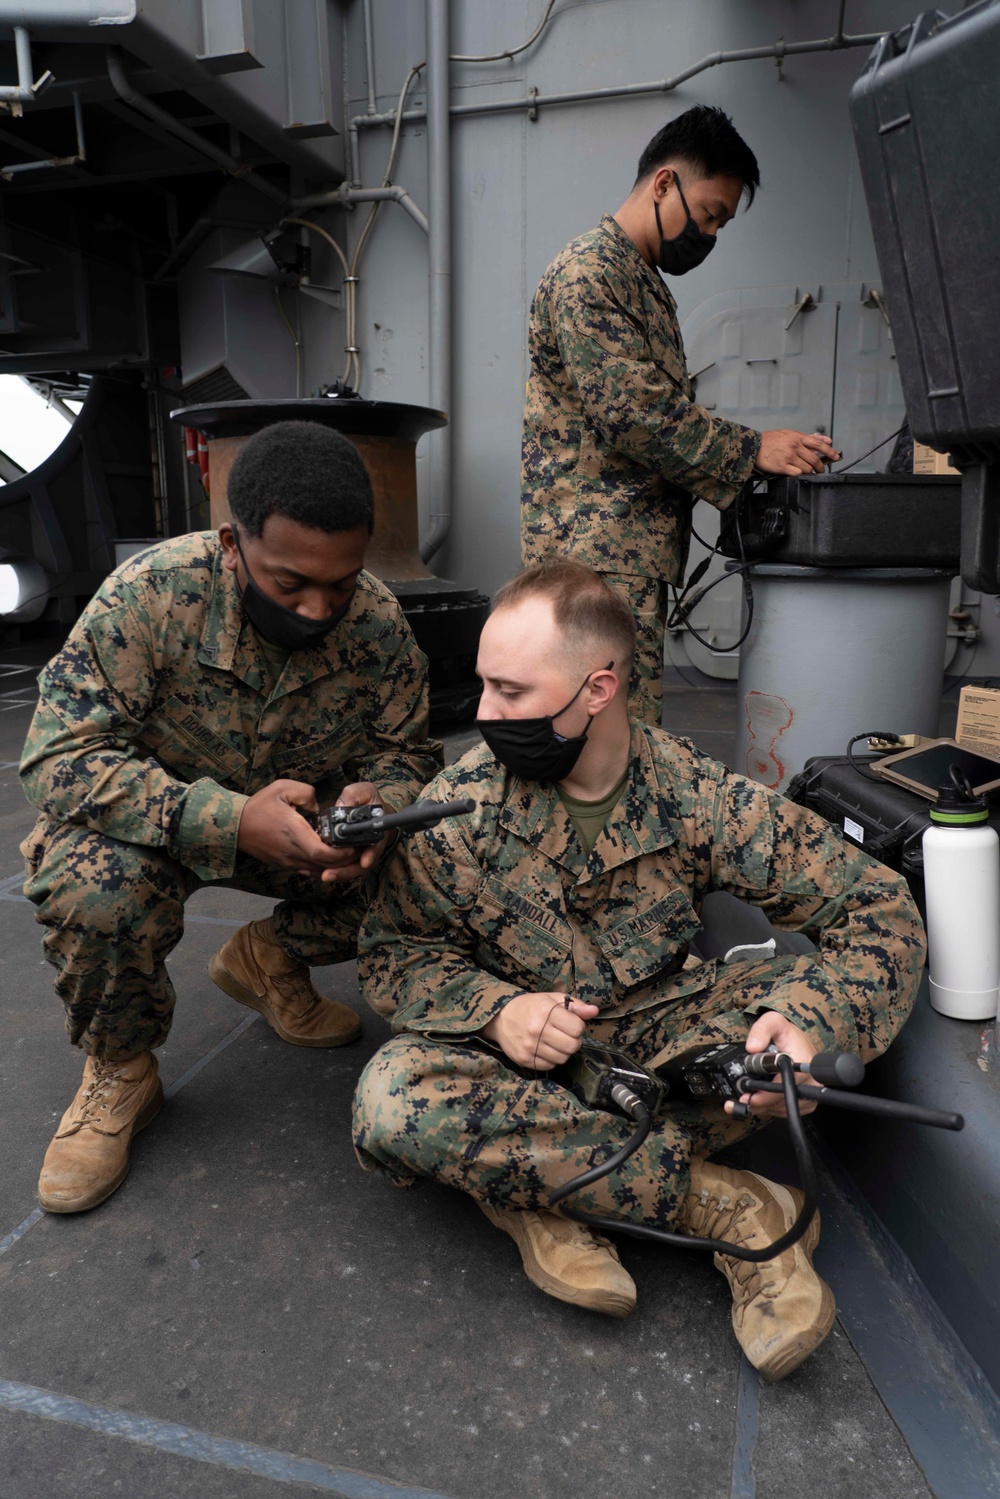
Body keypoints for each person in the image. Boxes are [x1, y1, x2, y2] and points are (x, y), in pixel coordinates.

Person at [350, 559, 924, 1381]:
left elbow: (878, 909)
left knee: (777, 1049)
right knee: (393, 1098)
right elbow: (395, 952)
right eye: (483, 686)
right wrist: (495, 1009)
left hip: (663, 1041)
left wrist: (807, 1026)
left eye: (510, 691)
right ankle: (725, 1205)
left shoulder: (696, 795)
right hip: (519, 1064)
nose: (483, 713)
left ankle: (535, 1182)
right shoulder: (463, 803)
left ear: (597, 689)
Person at [20, 419, 442, 1215]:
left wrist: (376, 801)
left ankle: (271, 958)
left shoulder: (379, 624)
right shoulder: (148, 597)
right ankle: (122, 1068)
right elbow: (57, 758)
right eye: (290, 584)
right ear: (231, 544)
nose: (320, 609)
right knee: (91, 882)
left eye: (341, 584)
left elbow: (407, 753)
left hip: (301, 836)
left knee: (435, 863)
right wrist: (221, 817)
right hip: (156, 829)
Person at [520, 105, 841, 725]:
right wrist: (752, 450)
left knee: (616, 737)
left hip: (623, 555)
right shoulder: (590, 272)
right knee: (607, 742)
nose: (711, 235)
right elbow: (632, 412)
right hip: (593, 557)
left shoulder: (643, 283)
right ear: (665, 184)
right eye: (710, 214)